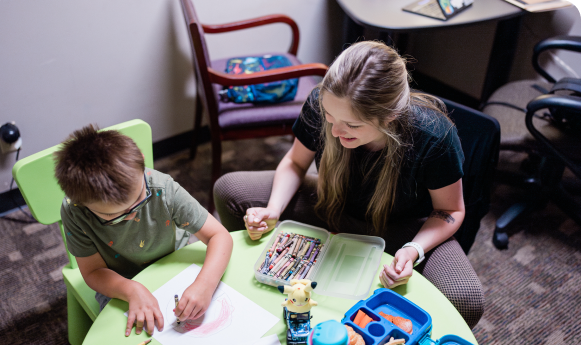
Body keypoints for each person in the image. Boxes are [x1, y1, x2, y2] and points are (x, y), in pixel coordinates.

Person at [214, 41, 484, 327]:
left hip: (402, 227)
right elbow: (295, 162)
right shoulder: (321, 102)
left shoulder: (434, 135)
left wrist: (413, 249)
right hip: (333, 202)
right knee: (230, 190)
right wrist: (273, 208)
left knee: (465, 299)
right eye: (330, 117)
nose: (334, 130)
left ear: (390, 116)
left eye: (352, 125)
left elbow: (450, 211)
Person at [55, 125, 233, 337]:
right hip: (118, 283)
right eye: (113, 216)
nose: (132, 215)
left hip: (171, 263)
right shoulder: (75, 211)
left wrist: (205, 284)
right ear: (81, 203)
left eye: (140, 198)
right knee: (130, 335)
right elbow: (93, 273)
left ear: (142, 161)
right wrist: (132, 290)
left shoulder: (163, 188)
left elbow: (220, 236)